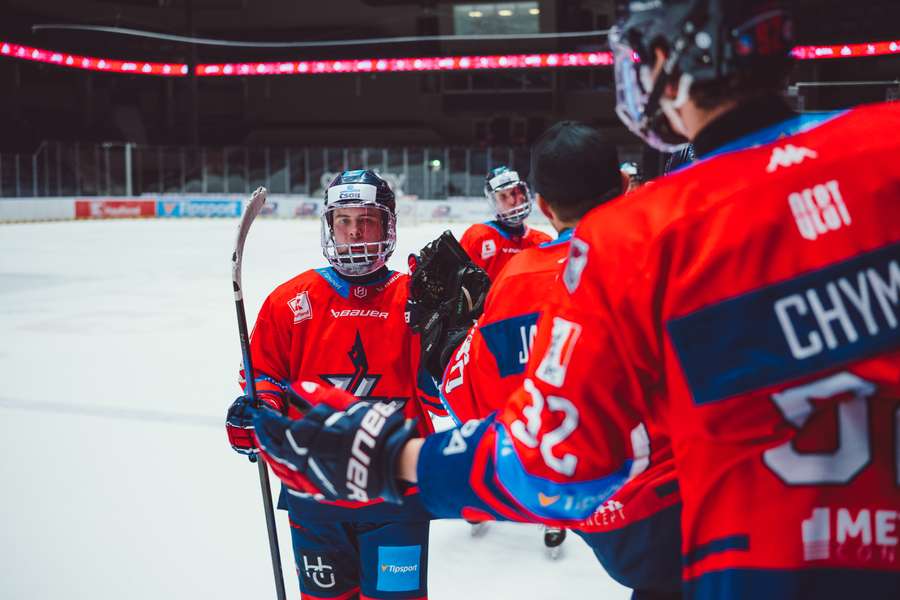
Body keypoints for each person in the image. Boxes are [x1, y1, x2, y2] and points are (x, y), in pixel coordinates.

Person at [252, 1, 900, 598]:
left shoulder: (636, 239)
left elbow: (555, 460)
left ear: (680, 64)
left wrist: (394, 457)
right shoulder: (886, 149)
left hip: (744, 567)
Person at [437, 121, 682, 592]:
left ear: (543, 205)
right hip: (702, 494)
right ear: (626, 184)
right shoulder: (667, 248)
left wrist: (453, 348)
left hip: (601, 504)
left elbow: (474, 405)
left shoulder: (516, 279)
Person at [225, 169, 443, 600]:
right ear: (329, 226)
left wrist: (453, 334)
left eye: (367, 219)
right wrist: (257, 415)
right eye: (343, 220)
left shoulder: (415, 300)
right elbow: (265, 378)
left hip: (395, 492)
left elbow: (441, 396)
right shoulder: (290, 301)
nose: (355, 231)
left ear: (389, 224)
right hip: (313, 493)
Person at [459, 166, 551, 280]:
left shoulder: (543, 242)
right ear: (494, 202)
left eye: (514, 192)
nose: (512, 201)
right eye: (503, 196)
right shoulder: (478, 237)